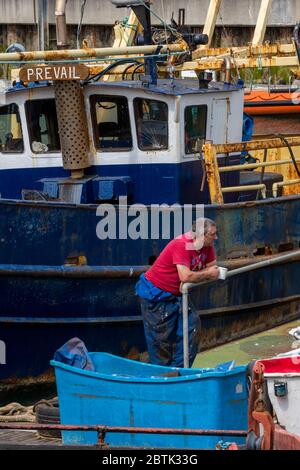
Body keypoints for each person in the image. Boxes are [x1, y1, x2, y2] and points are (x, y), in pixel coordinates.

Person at [135, 217, 220, 368]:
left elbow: (213, 267)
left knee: (192, 326)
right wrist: (204, 275)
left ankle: (180, 370)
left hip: (177, 295)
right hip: (156, 295)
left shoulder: (207, 245)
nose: (215, 238)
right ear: (200, 235)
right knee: (160, 341)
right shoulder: (181, 244)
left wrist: (199, 274)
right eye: (212, 235)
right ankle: (163, 376)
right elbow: (187, 276)